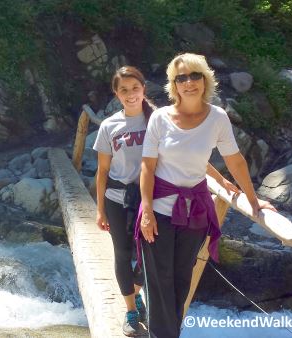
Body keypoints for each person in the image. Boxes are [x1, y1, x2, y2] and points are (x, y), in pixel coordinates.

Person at [136, 53, 276, 338]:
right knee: (159, 280)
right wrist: (147, 210)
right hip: (159, 208)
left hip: (194, 210)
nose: (189, 83)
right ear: (173, 85)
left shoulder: (217, 118)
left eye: (194, 76)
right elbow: (147, 167)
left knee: (181, 278)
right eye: (181, 78)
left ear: (205, 79)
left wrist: (253, 200)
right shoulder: (161, 119)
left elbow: (235, 160)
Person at [94, 65, 238, 337]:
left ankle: (139, 292)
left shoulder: (157, 118)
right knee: (124, 254)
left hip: (153, 195)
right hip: (118, 196)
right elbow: (102, 171)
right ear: (116, 94)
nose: (130, 94)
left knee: (147, 259)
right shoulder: (109, 126)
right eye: (123, 90)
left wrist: (220, 180)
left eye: (135, 88)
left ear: (143, 89)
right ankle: (131, 310)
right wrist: (100, 209)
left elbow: (188, 155)